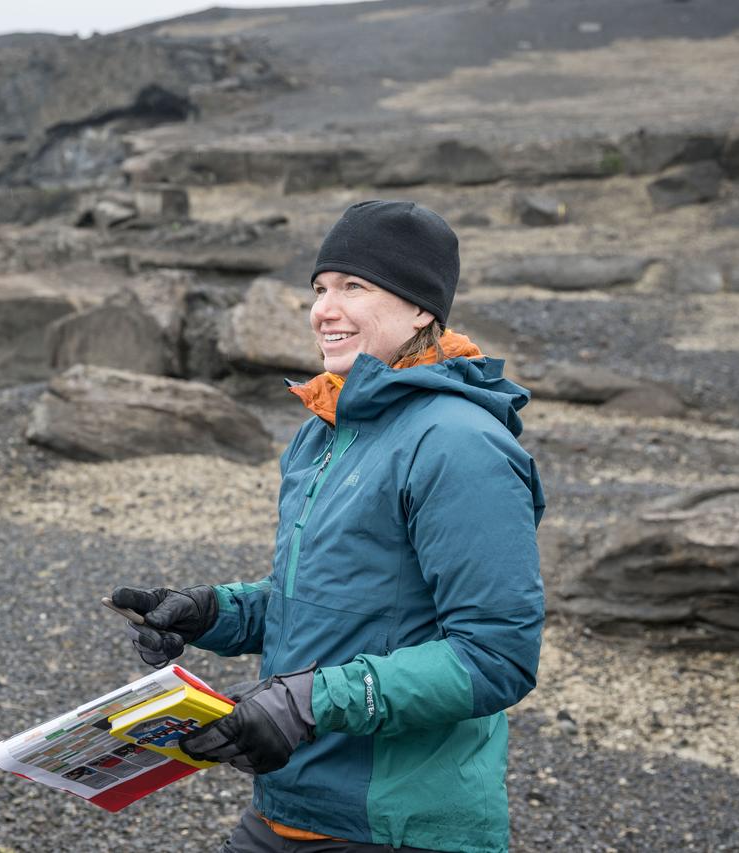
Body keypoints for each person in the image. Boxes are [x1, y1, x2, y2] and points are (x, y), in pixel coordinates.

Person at [110, 201, 545, 853]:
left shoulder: (460, 443)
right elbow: (335, 601)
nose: (324, 309)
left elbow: (496, 655)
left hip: (400, 824)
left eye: (354, 287)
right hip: (288, 802)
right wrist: (213, 613)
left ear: (421, 307)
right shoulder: (324, 431)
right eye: (319, 288)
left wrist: (304, 701)